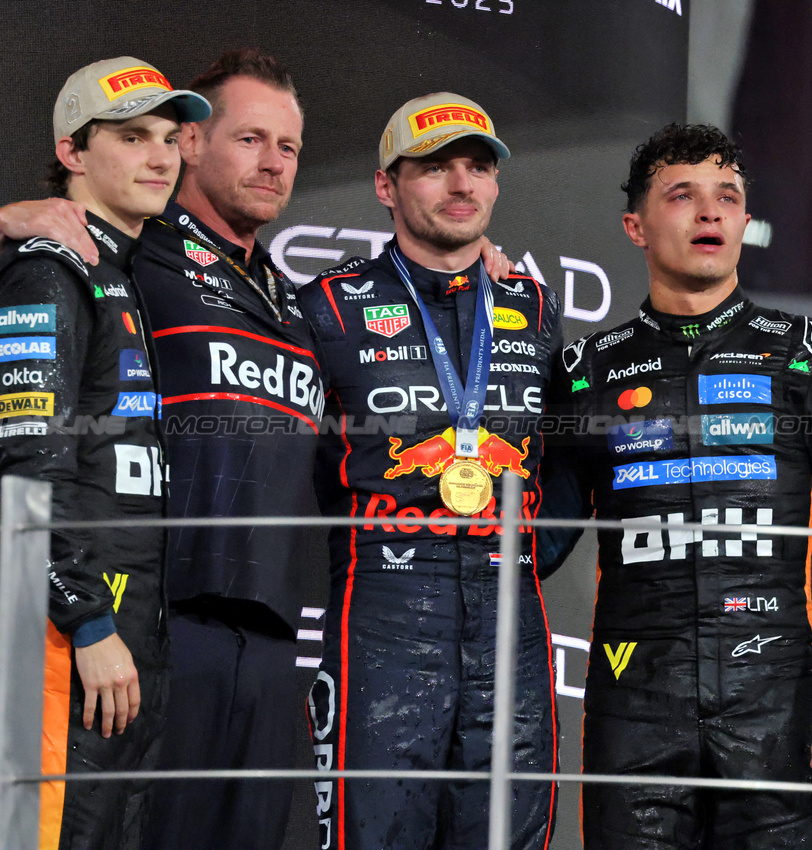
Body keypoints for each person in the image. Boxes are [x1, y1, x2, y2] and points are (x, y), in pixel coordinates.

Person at [0, 51, 512, 850]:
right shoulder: (135, 246)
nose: (272, 163)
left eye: (289, 147)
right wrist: (4, 224)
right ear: (196, 147)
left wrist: (476, 285)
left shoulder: (287, 293)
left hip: (271, 632)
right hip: (165, 617)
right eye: (249, 139)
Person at [542, 123, 812, 849]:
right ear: (634, 226)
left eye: (726, 196)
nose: (709, 212)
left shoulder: (811, 353)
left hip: (773, 710)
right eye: (683, 195)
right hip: (631, 708)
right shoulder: (585, 369)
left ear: (741, 220)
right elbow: (542, 543)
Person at [297, 93, 561, 850]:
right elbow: (299, 461)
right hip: (383, 604)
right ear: (387, 186)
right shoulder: (326, 306)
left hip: (509, 613)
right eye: (435, 167)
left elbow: (565, 467)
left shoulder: (534, 308)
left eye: (476, 167)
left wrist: (514, 551)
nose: (460, 184)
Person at [0, 56, 210, 848]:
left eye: (169, 138)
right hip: (67, 627)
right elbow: (29, 473)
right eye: (131, 136)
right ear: (72, 152)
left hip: (120, 620)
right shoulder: (47, 272)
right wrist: (89, 623)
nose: (160, 157)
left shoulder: (119, 266)